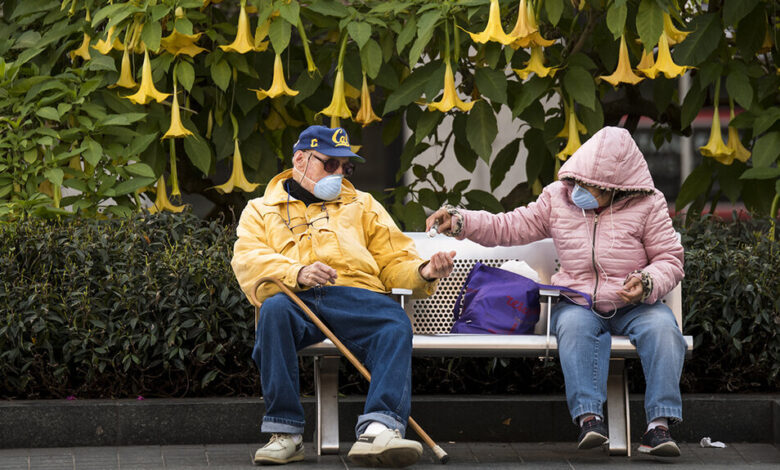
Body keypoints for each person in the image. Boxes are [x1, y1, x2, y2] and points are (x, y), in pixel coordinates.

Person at [426, 126, 686, 457]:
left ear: (618, 188)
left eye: (593, 187)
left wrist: (646, 282)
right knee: (574, 328)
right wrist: (462, 221)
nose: (582, 190)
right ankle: (590, 420)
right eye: (580, 180)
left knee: (664, 328)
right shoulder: (558, 197)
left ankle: (658, 428)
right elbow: (511, 226)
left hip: (637, 305)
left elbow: (669, 259)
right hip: (578, 303)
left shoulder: (648, 204)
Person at [231, 125, 456, 467]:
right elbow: (247, 259)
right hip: (298, 299)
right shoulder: (260, 209)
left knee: (394, 322)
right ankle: (286, 433)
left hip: (357, 298)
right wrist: (297, 273)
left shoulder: (363, 204)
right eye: (330, 164)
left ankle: (380, 429)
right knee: (274, 311)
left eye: (346, 168)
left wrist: (423, 272)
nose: (338, 174)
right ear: (300, 159)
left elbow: (394, 261)